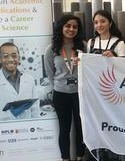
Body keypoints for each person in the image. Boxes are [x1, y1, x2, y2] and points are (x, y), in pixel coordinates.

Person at [44, 14, 86, 161]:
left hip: (80, 93)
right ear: (61, 27)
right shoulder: (51, 49)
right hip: (61, 94)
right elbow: (50, 74)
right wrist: (60, 84)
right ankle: (65, 158)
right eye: (68, 26)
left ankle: (81, 156)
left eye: (75, 27)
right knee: (64, 128)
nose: (71, 29)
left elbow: (88, 70)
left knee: (82, 128)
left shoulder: (83, 46)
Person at [87, 10, 125, 161]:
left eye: (102, 21)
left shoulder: (119, 43)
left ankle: (115, 154)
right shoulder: (90, 43)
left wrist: (114, 58)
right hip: (94, 92)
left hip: (112, 92)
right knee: (97, 124)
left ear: (110, 23)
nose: (99, 25)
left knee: (112, 123)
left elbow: (124, 69)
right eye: (96, 22)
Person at [0, 42, 40, 122]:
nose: (11, 59)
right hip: (4, 131)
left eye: (14, 56)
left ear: (19, 58)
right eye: (5, 56)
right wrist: (10, 114)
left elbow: (35, 110)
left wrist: (36, 127)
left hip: (28, 130)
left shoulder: (29, 79)